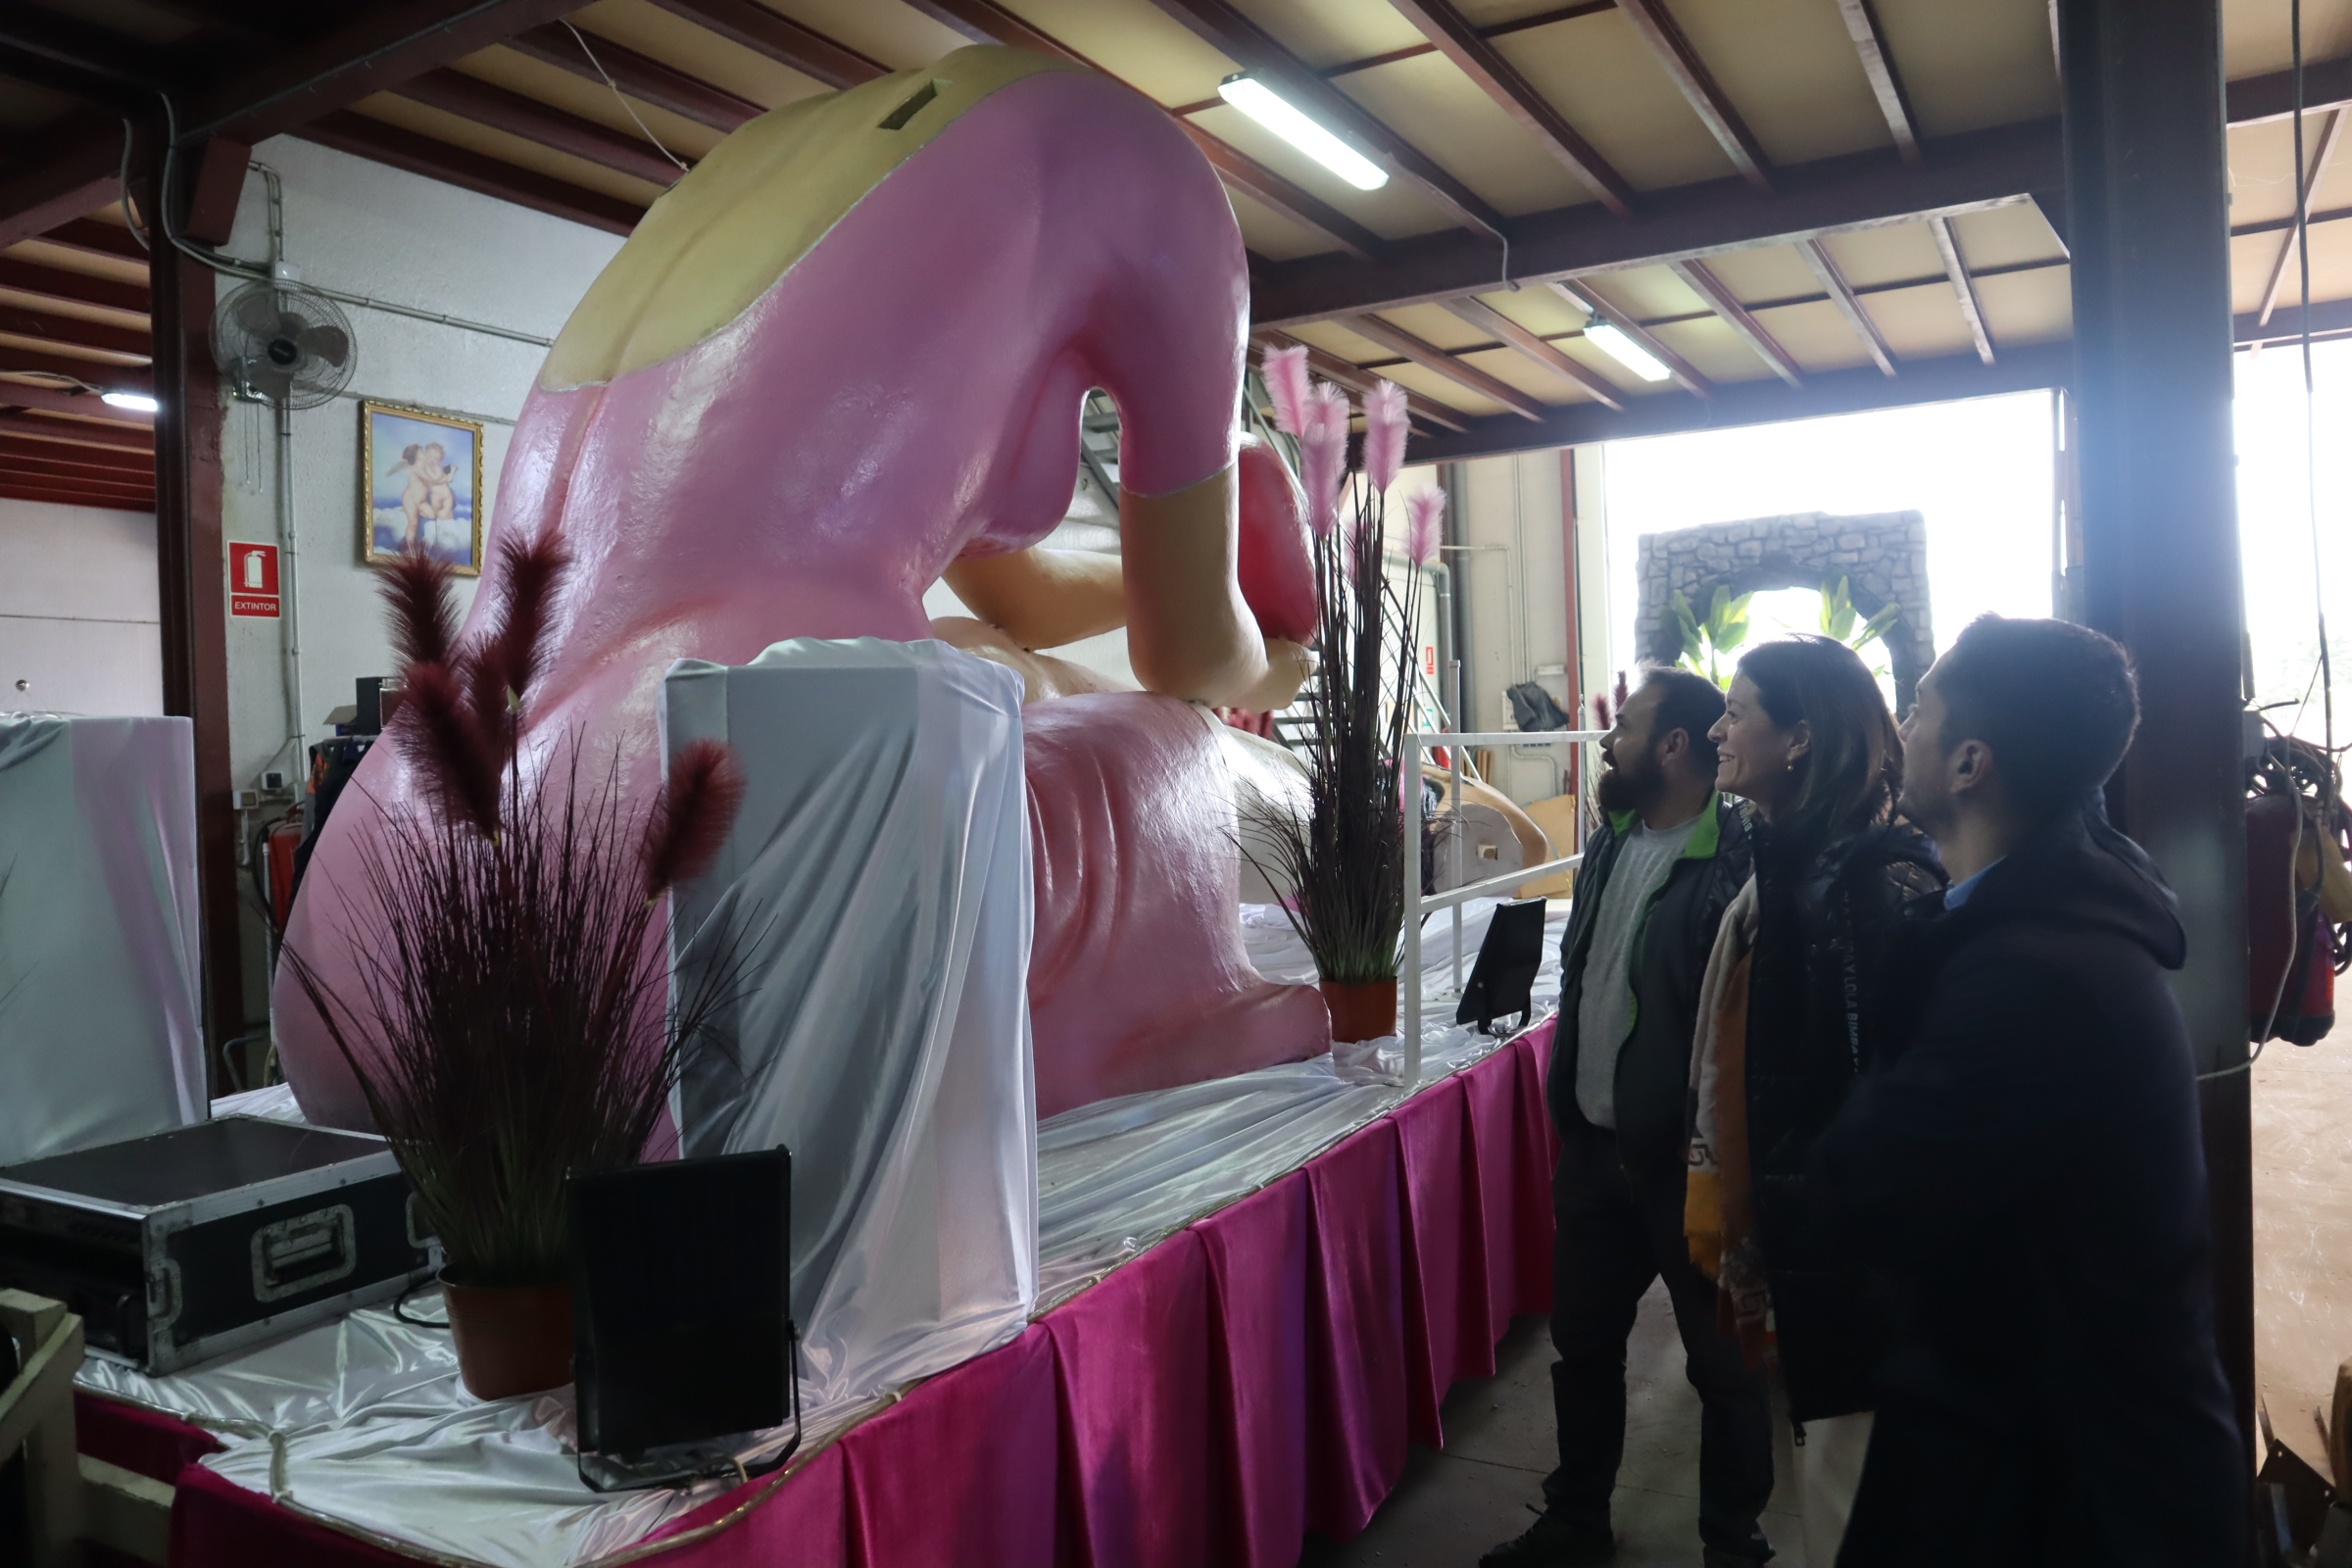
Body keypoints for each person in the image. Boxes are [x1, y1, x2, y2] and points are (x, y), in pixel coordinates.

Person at [1806, 615, 2243, 1566]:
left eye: (1916, 707)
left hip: (2080, 1484)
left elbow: (1862, 1184)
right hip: (2034, 1441)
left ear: (1969, 763)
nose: (1899, 728)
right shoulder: (2040, 924)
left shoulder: (2034, 981)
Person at [1485, 666, 1771, 1568]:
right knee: (1584, 1345)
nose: (1608, 739)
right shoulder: (1610, 837)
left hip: (1691, 1164)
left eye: (1629, 726)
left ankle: (1733, 1544)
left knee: (1723, 1372)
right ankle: (1577, 1520)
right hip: (1596, 1152)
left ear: (1674, 747)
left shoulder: (1742, 858)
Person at [1687, 634, 1943, 1560]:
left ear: (1798, 739)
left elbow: (1886, 1105)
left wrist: (1834, 1265)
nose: (1716, 728)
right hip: (1816, 1262)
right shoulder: (1793, 868)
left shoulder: (1871, 885)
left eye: (1736, 710)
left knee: (1852, 1515)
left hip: (1859, 1287)